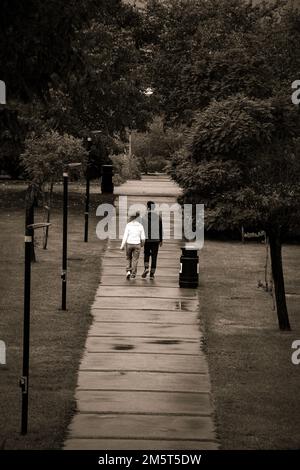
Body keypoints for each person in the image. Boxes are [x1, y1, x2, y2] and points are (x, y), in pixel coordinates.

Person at [141, 201, 163, 280]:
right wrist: (161, 240)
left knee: (146, 254)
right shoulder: (158, 217)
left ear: (148, 207)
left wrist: (141, 239)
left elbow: (142, 229)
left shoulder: (144, 217)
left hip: (147, 240)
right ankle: (152, 274)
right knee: (154, 256)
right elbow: (161, 229)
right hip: (156, 240)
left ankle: (146, 268)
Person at [120, 211, 145, 279]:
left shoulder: (128, 225)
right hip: (137, 244)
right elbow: (143, 238)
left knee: (128, 258)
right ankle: (133, 274)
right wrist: (142, 245)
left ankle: (128, 271)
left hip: (129, 244)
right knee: (135, 259)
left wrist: (122, 246)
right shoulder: (140, 226)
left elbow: (125, 236)